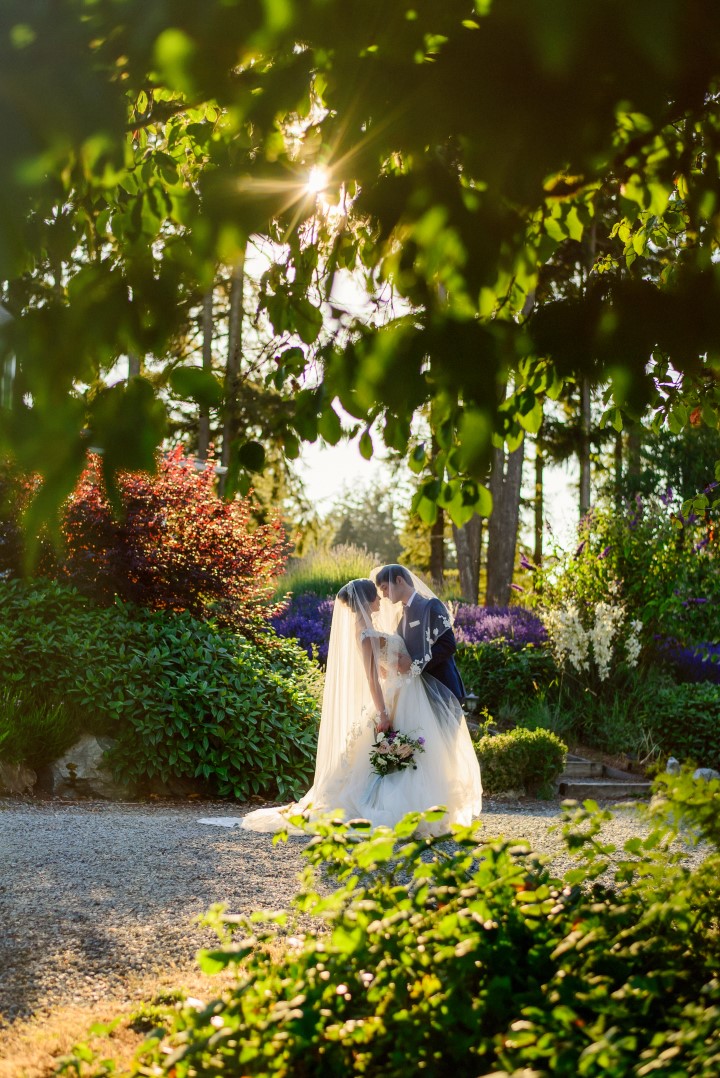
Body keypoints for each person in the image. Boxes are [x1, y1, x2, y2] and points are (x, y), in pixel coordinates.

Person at [199, 572, 481, 835]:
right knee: (407, 752)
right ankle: (407, 808)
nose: (382, 598)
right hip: (397, 696)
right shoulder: (368, 632)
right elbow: (373, 677)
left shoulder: (379, 624)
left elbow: (389, 664)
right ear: (367, 600)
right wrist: (383, 711)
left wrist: (394, 668)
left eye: (384, 590)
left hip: (405, 691)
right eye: (378, 594)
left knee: (417, 750)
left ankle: (426, 804)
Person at [375, 563, 465, 704]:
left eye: (385, 588)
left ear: (399, 580)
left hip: (443, 690)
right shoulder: (400, 616)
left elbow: (448, 645)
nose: (384, 595)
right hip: (419, 695)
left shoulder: (431, 605)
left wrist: (413, 664)